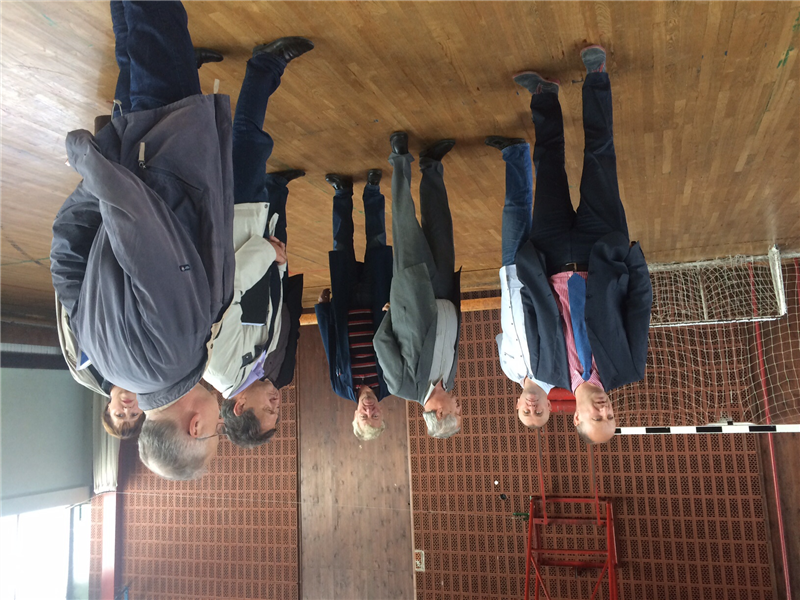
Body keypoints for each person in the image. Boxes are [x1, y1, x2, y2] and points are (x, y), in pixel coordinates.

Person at [486, 45, 652, 445]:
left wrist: (531, 274)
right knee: (600, 155)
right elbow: (639, 308)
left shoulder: (548, 370)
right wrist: (632, 259)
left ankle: (543, 95)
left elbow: (531, 315)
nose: (604, 409)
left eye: (598, 417)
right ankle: (596, 76)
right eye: (610, 415)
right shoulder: (628, 368)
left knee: (547, 165)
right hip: (602, 248)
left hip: (552, 252)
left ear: (576, 417)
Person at [203, 38, 312, 449]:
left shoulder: (220, 367)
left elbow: (229, 293)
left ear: (238, 406)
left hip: (236, 230)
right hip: (259, 238)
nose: (276, 404)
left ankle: (264, 64)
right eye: (277, 412)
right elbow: (267, 305)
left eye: (268, 411)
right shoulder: (258, 367)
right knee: (250, 145)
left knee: (247, 142)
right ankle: (264, 71)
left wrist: (267, 253)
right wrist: (279, 266)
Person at [373, 132, 463, 439]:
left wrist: (393, 311)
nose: (459, 407)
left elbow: (381, 342)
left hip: (413, 290)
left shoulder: (403, 386)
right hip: (444, 290)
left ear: (439, 413)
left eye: (455, 413)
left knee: (405, 221)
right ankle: (431, 164)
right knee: (440, 224)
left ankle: (399, 158)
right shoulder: (449, 380)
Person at [315, 170, 393, 441]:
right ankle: (372, 191)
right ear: (382, 413)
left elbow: (331, 347)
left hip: (344, 306)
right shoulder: (391, 384)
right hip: (378, 303)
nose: (369, 410)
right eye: (375, 416)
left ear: (355, 415)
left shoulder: (340, 386)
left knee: (341, 246)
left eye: (364, 417)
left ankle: (342, 193)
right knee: (377, 244)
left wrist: (323, 310)